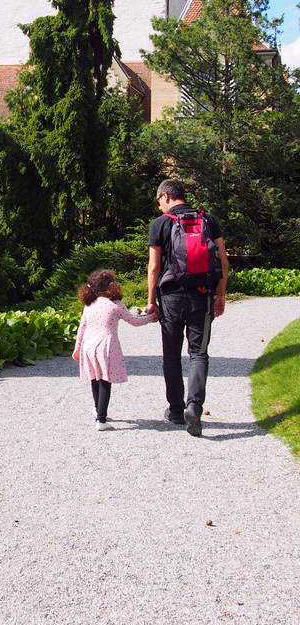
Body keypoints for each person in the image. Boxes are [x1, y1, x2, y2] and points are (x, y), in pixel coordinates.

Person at [147, 178, 229, 437]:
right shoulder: (209, 220)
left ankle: (175, 409)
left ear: (167, 197)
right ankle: (194, 406)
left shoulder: (160, 224)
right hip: (202, 296)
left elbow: (153, 268)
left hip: (171, 297)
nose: (159, 206)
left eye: (159, 200)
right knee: (199, 353)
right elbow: (224, 261)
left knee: (171, 355)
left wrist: (151, 301)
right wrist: (220, 295)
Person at [73, 269, 157, 431]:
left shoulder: (89, 305)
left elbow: (81, 329)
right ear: (112, 286)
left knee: (95, 378)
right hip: (106, 346)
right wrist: (151, 318)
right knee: (105, 381)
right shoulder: (115, 305)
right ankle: (101, 420)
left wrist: (77, 349)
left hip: (89, 346)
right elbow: (134, 321)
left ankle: (98, 409)